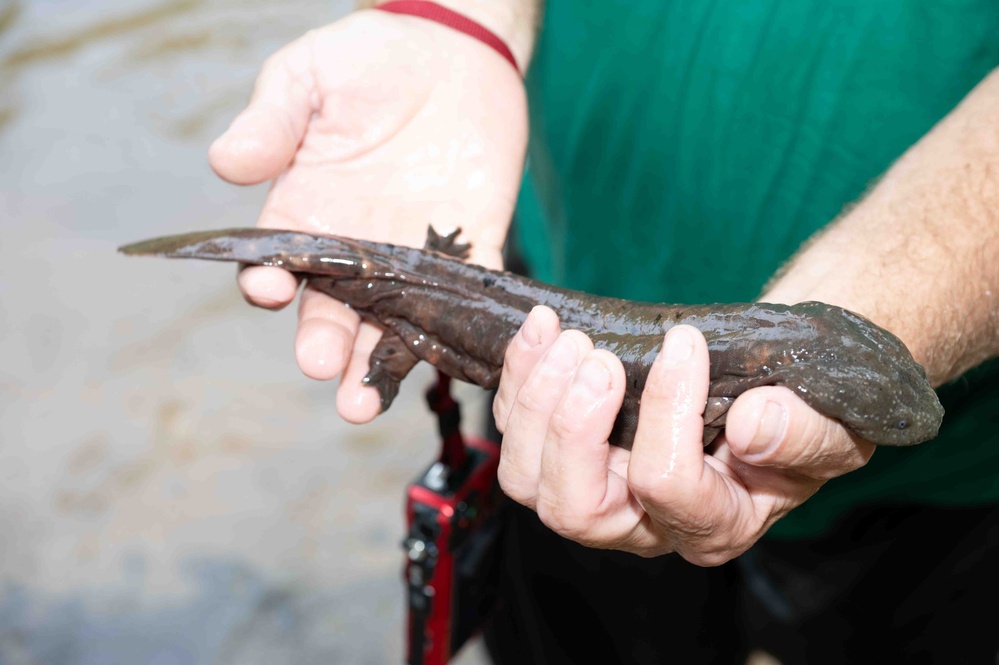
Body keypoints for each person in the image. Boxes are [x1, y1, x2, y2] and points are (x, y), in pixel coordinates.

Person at [208, 1, 999, 662]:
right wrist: (459, 18)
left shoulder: (787, 361)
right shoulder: (762, 362)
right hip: (558, 406)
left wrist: (905, 313)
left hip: (952, 498)